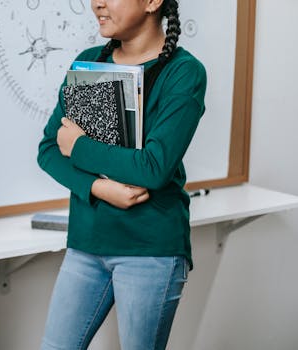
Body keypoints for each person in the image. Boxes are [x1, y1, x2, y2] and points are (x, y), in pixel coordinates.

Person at [37, 0, 206, 349]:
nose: (97, 3)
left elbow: (154, 168)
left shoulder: (183, 72)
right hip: (87, 242)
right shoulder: (91, 61)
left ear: (152, 2)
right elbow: (50, 150)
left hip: (149, 250)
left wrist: (80, 147)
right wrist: (98, 187)